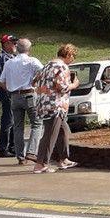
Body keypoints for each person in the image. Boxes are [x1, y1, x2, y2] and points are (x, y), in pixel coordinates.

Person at [33, 44, 81, 173]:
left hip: (44, 103)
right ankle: (41, 163)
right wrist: (74, 84)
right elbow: (62, 88)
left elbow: (34, 82)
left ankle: (63, 159)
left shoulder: (46, 66)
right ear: (68, 55)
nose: (73, 60)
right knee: (50, 135)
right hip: (56, 105)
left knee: (63, 130)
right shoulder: (62, 67)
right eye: (73, 57)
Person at [0, 38, 43, 164]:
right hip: (29, 94)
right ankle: (31, 152)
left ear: (17, 48)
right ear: (29, 49)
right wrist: (35, 80)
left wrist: (10, 90)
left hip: (14, 97)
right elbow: (44, 72)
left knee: (18, 127)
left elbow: (1, 81)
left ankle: (20, 156)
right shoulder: (32, 61)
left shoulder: (9, 63)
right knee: (37, 124)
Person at [0, 34, 17, 158]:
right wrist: (9, 90)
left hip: (12, 91)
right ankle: (3, 149)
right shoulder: (4, 58)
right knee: (8, 120)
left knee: (13, 120)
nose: (15, 45)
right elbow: (2, 79)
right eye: (13, 42)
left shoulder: (12, 57)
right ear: (6, 44)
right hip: (7, 91)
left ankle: (12, 147)